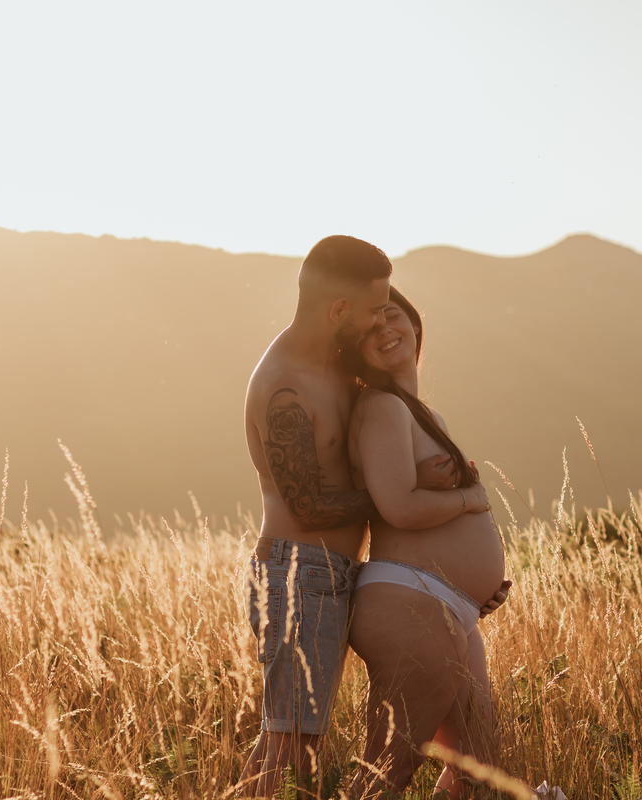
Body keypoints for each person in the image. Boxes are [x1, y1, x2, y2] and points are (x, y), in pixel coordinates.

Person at [241, 236, 508, 798]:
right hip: (299, 572)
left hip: (339, 571)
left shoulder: (341, 369)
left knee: (299, 745)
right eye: (373, 310)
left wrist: (456, 572)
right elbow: (309, 507)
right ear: (340, 309)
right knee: (290, 746)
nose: (379, 321)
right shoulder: (285, 386)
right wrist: (410, 493)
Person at [343, 287, 506, 799]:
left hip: (446, 605)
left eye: (392, 315)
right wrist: (470, 499)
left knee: (477, 770)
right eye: (369, 329)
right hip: (412, 601)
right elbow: (399, 507)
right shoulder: (381, 405)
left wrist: (478, 584)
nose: (385, 330)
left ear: (414, 323)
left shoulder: (422, 413)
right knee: (386, 774)